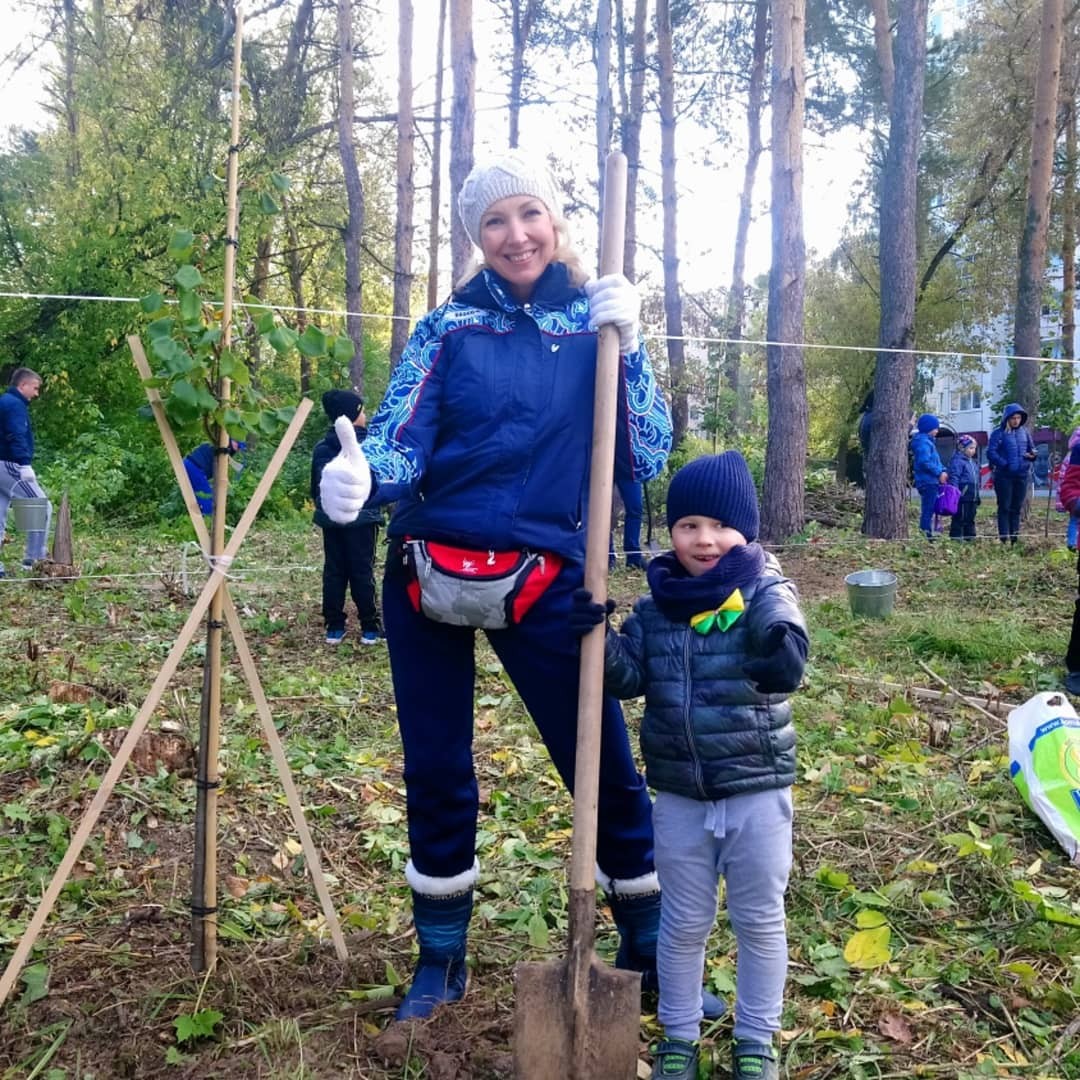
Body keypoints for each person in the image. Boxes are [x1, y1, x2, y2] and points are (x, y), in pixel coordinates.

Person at [317, 148, 721, 1023]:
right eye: (493, 222)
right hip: (428, 572)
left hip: (548, 578)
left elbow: (644, 453)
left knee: (604, 762)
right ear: (476, 238)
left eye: (528, 213)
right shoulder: (447, 329)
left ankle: (644, 947)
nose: (515, 234)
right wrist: (364, 480)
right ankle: (441, 958)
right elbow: (399, 436)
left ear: (556, 220)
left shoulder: (597, 325)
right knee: (435, 765)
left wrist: (636, 348)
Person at [570, 452, 808, 1080]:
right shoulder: (654, 608)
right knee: (681, 923)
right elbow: (628, 678)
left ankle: (756, 1039)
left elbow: (785, 627)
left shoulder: (762, 587)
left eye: (721, 526)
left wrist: (786, 652)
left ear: (746, 532)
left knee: (759, 918)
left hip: (756, 789)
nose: (705, 539)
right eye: (688, 525)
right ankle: (679, 1034)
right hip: (678, 794)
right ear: (670, 531)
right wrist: (597, 637)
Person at [311, 390, 383, 645]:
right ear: (353, 416)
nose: (365, 415)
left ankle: (334, 626)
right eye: (362, 411)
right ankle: (370, 627)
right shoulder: (369, 446)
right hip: (363, 521)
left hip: (332, 521)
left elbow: (315, 489)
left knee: (334, 570)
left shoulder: (322, 448)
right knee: (362, 570)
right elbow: (378, 485)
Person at [0, 367, 51, 577]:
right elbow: (15, 434)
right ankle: (33, 560)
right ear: (23, 385)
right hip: (7, 463)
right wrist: (24, 463)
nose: (36, 394)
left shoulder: (4, 401)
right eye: (35, 388)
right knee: (39, 504)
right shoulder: (14, 405)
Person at [987, 402, 1036, 545]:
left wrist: (1033, 456)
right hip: (1004, 476)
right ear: (1007, 418)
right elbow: (991, 452)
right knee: (1004, 506)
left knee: (1016, 507)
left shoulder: (1025, 432)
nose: (1016, 421)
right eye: (1013, 418)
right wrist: (1004, 464)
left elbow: (1032, 448)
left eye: (1018, 418)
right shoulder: (999, 433)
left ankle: (1014, 538)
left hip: (1021, 475)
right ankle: (1003, 538)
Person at [183, 437, 244, 516]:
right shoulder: (223, 446)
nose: (237, 449)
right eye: (238, 446)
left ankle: (199, 520)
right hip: (195, 468)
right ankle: (205, 523)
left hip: (191, 465)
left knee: (197, 498)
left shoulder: (219, 443)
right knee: (206, 499)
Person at [910, 413, 947, 539]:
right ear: (928, 428)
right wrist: (938, 472)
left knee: (931, 508)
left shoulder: (928, 442)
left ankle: (930, 532)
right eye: (935, 428)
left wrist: (943, 470)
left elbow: (935, 460)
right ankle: (925, 534)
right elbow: (924, 462)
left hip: (932, 480)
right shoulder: (923, 443)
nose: (937, 430)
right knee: (928, 509)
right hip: (927, 481)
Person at [609, 474, 647, 571]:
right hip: (600, 466)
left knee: (635, 509)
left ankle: (634, 558)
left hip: (628, 468)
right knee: (603, 512)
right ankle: (607, 557)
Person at [947, 434, 980, 541]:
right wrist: (955, 493)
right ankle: (956, 538)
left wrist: (977, 496)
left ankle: (970, 538)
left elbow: (975, 480)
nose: (973, 451)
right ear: (962, 448)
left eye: (974, 448)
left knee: (970, 518)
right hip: (962, 497)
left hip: (972, 497)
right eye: (970, 448)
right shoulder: (957, 461)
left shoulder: (973, 463)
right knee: (960, 518)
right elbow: (954, 477)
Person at [1058, 428, 1080, 552]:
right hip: (1076, 498)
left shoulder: (1068, 457)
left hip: (1071, 498)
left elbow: (1062, 480)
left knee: (1074, 520)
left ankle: (1071, 544)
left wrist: (1060, 503)